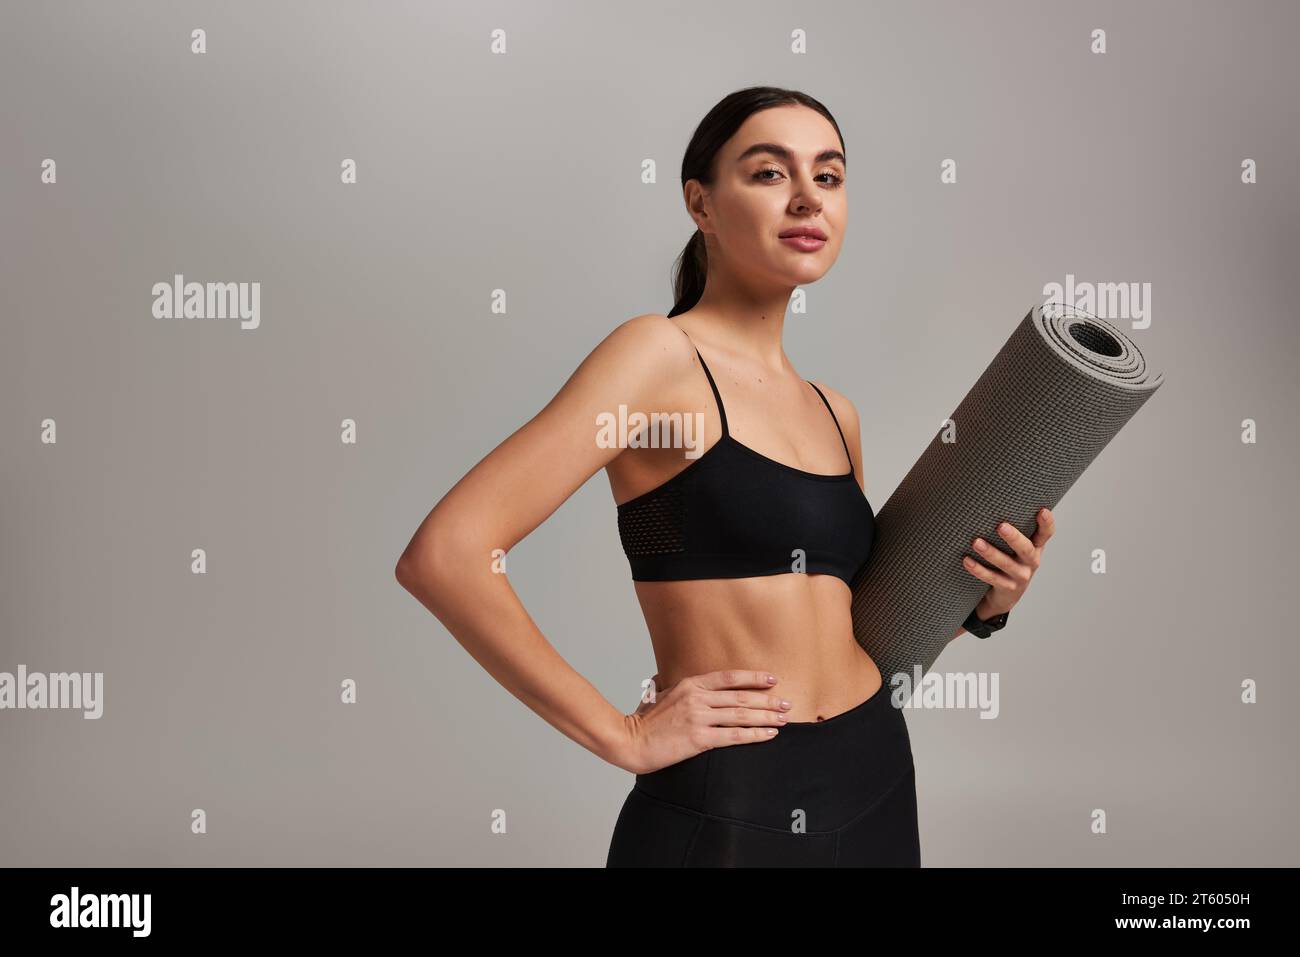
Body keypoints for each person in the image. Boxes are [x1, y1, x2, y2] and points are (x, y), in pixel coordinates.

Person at [396, 86, 1053, 866]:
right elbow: (447, 553)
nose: (808, 196)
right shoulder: (656, 360)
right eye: (770, 173)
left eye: (830, 176)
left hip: (876, 773)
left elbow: (844, 629)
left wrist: (984, 606)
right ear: (701, 204)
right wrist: (620, 732)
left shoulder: (833, 411)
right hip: (731, 797)